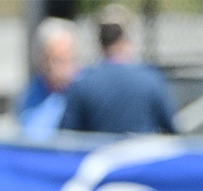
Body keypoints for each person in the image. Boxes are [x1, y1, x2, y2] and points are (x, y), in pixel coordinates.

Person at [59, 4, 175, 135]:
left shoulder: (82, 84)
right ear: (125, 38)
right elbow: (172, 130)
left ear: (99, 40)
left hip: (98, 154)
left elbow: (66, 138)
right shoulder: (151, 80)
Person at [17, 17, 79, 140]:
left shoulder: (85, 89)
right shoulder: (31, 94)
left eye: (62, 59)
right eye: (49, 59)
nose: (54, 67)